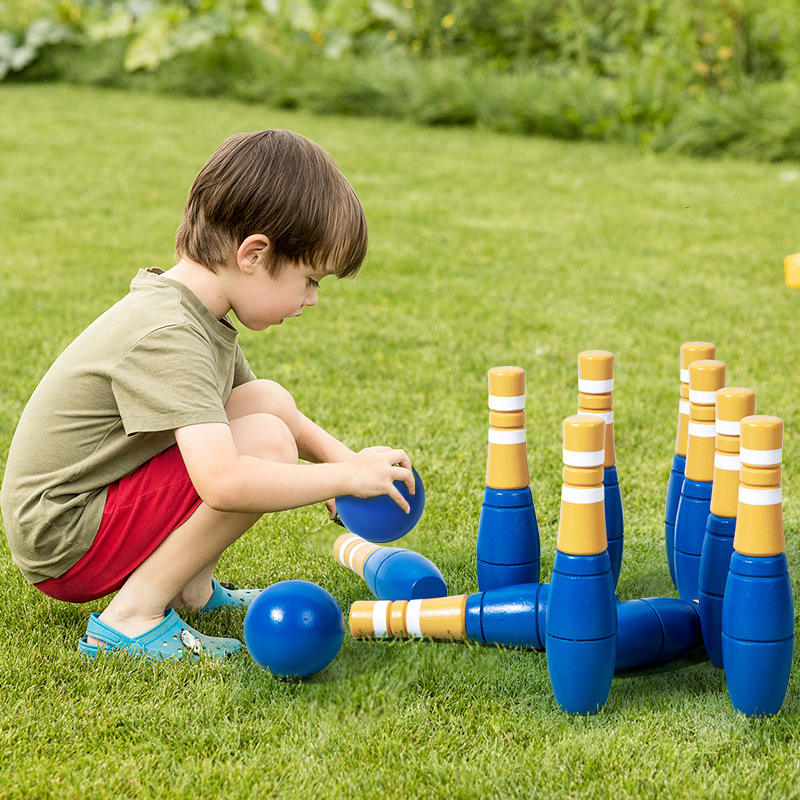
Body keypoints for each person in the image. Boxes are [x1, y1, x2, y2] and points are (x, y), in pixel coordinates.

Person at [0, 129, 415, 661]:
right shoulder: (169, 334)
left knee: (264, 403)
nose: (312, 299)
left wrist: (343, 461)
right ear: (254, 254)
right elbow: (224, 482)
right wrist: (342, 478)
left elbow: (262, 403)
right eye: (310, 279)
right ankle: (130, 618)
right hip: (64, 536)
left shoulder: (196, 312)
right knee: (264, 444)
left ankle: (190, 591)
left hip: (88, 508)